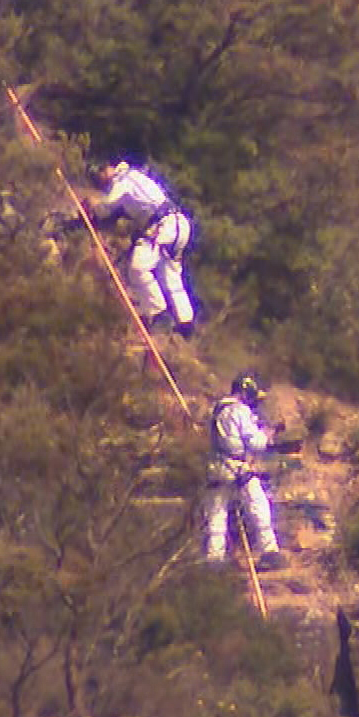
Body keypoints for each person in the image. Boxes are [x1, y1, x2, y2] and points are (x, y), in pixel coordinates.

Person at [89, 159, 196, 338]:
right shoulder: (136, 175)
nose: (100, 180)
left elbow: (105, 208)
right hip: (179, 224)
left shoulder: (121, 182)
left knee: (137, 268)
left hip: (163, 226)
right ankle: (185, 325)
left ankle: (158, 313)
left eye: (99, 174)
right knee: (170, 275)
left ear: (108, 168)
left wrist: (94, 205)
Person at [205, 372, 286, 570]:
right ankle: (269, 551)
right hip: (237, 467)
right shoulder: (239, 411)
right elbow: (255, 443)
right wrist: (267, 435)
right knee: (257, 504)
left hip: (216, 467)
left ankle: (214, 558)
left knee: (217, 512)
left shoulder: (217, 409)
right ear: (244, 393)